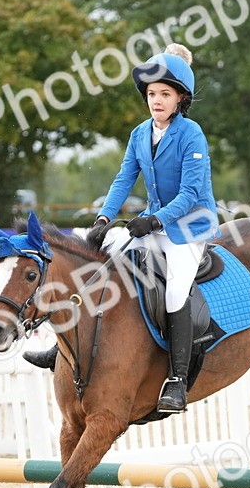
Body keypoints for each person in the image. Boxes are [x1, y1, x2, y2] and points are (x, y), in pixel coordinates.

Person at [25, 42, 217, 413]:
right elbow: (122, 180)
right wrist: (102, 218)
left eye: (164, 94)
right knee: (102, 261)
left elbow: (192, 192)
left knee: (177, 291)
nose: (156, 101)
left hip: (190, 225)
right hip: (152, 221)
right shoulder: (139, 134)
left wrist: (156, 220)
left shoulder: (191, 134)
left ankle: (176, 381)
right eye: (151, 94)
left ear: (180, 99)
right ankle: (60, 347)